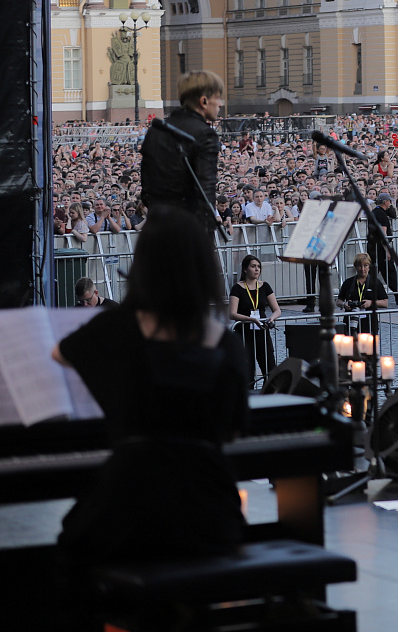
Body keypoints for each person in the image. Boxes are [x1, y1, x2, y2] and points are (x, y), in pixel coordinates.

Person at [51, 208, 249, 568]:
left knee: (70, 550)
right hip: (211, 511)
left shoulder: (114, 328)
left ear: (142, 267)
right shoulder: (227, 345)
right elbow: (233, 431)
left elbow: (60, 352)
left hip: (129, 504)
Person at [139, 70, 223, 231]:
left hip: (155, 229)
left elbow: (147, 189)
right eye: (217, 98)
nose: (220, 104)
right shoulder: (205, 134)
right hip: (189, 230)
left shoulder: (156, 130)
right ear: (203, 101)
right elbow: (206, 189)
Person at [227, 253, 281, 387]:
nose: (257, 269)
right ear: (245, 269)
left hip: (261, 331)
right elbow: (232, 314)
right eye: (253, 266)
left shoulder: (264, 286)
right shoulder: (237, 288)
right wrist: (251, 319)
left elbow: (277, 310)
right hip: (244, 333)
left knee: (269, 368)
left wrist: (271, 318)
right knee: (247, 370)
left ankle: (269, 397)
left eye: (258, 267)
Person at [338, 251, 388, 335]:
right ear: (355, 267)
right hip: (350, 321)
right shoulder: (348, 283)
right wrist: (344, 304)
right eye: (359, 266)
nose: (362, 269)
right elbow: (338, 301)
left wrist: (371, 302)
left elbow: (385, 303)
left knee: (368, 347)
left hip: (369, 323)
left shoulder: (375, 282)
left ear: (369, 267)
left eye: (365, 265)